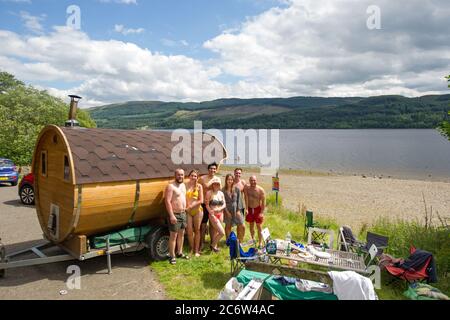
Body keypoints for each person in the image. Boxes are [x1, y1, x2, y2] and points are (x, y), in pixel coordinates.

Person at [164, 168, 189, 265]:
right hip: (175, 214)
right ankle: (172, 256)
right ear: (175, 175)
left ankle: (179, 252)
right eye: (178, 175)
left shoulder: (183, 185)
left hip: (183, 213)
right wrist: (171, 215)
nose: (180, 176)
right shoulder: (170, 186)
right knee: (173, 236)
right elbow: (167, 201)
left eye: (182, 175)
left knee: (182, 234)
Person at [198, 162, 218, 251]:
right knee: (203, 224)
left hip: (213, 203)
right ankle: (201, 242)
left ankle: (213, 243)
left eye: (214, 169)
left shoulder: (217, 179)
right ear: (208, 169)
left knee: (213, 225)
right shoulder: (202, 178)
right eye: (211, 168)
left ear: (216, 170)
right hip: (203, 204)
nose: (212, 170)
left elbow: (218, 190)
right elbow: (197, 188)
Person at [185, 170, 204, 257]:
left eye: (195, 176)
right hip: (188, 211)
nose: (193, 177)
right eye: (192, 175)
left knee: (197, 230)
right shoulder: (185, 185)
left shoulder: (199, 186)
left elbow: (201, 200)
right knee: (189, 231)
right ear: (189, 176)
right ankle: (192, 248)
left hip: (197, 211)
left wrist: (192, 206)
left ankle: (196, 250)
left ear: (197, 177)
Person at [205, 176, 226, 252]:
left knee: (216, 231)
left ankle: (214, 247)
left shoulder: (221, 193)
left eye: (218, 184)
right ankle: (213, 245)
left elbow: (224, 204)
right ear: (212, 184)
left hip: (220, 214)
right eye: (215, 184)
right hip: (213, 214)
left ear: (220, 185)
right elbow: (207, 204)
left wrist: (220, 208)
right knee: (221, 232)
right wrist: (211, 212)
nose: (216, 185)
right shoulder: (209, 193)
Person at [244, 175, 266, 248]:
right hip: (250, 209)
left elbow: (263, 203)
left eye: (254, 180)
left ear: (256, 181)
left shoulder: (260, 190)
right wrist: (246, 208)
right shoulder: (247, 188)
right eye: (251, 180)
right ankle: (253, 239)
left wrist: (262, 213)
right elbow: (246, 198)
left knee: (259, 226)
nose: (253, 182)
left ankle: (260, 242)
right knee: (251, 225)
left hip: (257, 209)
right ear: (249, 181)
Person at [223, 174, 245, 243]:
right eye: (228, 179)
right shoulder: (223, 190)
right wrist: (226, 212)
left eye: (231, 180)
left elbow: (239, 200)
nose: (230, 181)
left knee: (241, 225)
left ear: (233, 180)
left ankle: (239, 241)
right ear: (226, 180)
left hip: (236, 209)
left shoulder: (236, 189)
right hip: (227, 210)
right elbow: (222, 202)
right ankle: (228, 241)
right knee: (228, 226)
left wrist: (238, 210)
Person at [233, 168, 247, 241]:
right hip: (232, 206)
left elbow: (246, 195)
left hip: (241, 206)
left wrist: (246, 208)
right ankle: (231, 241)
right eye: (236, 173)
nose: (238, 174)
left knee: (242, 225)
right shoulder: (231, 181)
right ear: (234, 173)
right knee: (231, 225)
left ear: (241, 174)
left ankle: (240, 240)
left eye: (239, 173)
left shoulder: (243, 182)